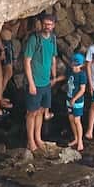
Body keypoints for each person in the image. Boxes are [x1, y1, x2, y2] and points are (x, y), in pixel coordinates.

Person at [23, 12, 58, 152]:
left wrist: (54, 75)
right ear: (41, 24)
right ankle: (30, 141)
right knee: (31, 112)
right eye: (45, 24)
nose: (47, 26)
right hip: (35, 82)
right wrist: (31, 83)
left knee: (41, 110)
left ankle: (38, 138)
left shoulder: (53, 39)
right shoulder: (34, 39)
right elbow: (27, 61)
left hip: (46, 82)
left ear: (53, 25)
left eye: (50, 24)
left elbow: (53, 57)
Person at [65, 51, 88, 152]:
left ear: (82, 65)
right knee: (71, 118)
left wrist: (74, 99)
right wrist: (55, 80)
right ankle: (76, 138)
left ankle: (80, 141)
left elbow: (82, 90)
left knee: (77, 120)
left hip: (77, 100)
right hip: (69, 98)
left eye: (77, 66)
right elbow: (65, 78)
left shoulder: (82, 75)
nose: (74, 67)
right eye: (73, 65)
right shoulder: (70, 72)